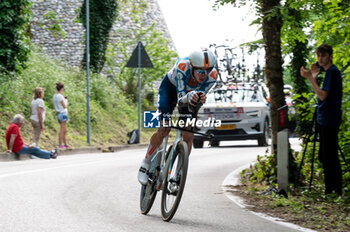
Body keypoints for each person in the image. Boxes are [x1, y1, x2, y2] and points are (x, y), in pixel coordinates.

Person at [137, 48, 218, 185]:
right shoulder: (182, 66)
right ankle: (145, 163)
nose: (204, 75)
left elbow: (196, 101)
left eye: (207, 70)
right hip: (169, 90)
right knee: (164, 128)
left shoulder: (213, 76)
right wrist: (191, 96)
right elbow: (181, 99)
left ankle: (178, 175)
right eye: (200, 71)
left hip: (189, 96)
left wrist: (197, 101)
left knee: (189, 134)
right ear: (192, 66)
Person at [300, 43, 343, 195]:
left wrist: (311, 79)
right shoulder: (328, 72)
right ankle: (331, 188)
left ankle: (334, 189)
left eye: (323, 55)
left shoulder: (332, 72)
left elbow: (323, 96)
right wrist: (315, 77)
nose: (320, 58)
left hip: (329, 118)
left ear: (330, 56)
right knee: (324, 155)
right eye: (318, 55)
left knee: (329, 155)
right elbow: (321, 93)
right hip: (324, 117)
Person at [53, 82, 70, 149]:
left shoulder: (55, 96)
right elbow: (65, 106)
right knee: (62, 130)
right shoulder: (60, 96)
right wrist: (66, 100)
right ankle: (60, 144)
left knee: (64, 130)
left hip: (59, 114)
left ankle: (65, 144)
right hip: (63, 114)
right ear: (62, 88)